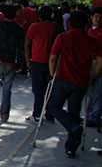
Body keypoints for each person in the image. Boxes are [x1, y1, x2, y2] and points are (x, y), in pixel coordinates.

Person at [47, 11, 102, 158]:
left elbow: (53, 58)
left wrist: (53, 75)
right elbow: (99, 63)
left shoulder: (63, 37)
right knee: (74, 112)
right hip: (81, 82)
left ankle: (74, 128)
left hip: (63, 79)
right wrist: (92, 77)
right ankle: (71, 147)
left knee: (53, 106)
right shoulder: (92, 42)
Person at [24, 6, 63, 123]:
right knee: (50, 90)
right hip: (53, 64)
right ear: (52, 15)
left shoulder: (34, 27)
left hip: (37, 62)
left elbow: (27, 44)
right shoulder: (58, 28)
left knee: (38, 90)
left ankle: (37, 114)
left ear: (39, 16)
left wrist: (27, 60)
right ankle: (50, 114)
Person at [87, 7, 102, 128]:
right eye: (96, 16)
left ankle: (95, 116)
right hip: (89, 63)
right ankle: (89, 115)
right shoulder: (88, 29)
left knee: (98, 91)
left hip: (99, 63)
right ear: (91, 17)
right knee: (90, 91)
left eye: (100, 17)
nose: (98, 19)